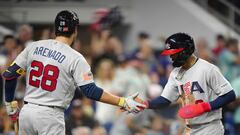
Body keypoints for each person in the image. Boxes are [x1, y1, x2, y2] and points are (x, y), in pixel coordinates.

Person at [2, 10, 145, 135]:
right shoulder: (75, 57)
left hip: (27, 112)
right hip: (50, 116)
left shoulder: (34, 46)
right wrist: (123, 101)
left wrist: (9, 105)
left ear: (55, 28)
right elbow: (90, 91)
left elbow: (10, 75)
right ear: (75, 30)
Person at [140, 33, 236, 135]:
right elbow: (165, 100)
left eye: (174, 53)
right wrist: (146, 104)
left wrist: (204, 107)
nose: (171, 56)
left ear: (185, 50)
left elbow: (230, 95)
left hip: (210, 127)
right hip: (190, 128)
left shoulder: (208, 69)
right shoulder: (175, 73)